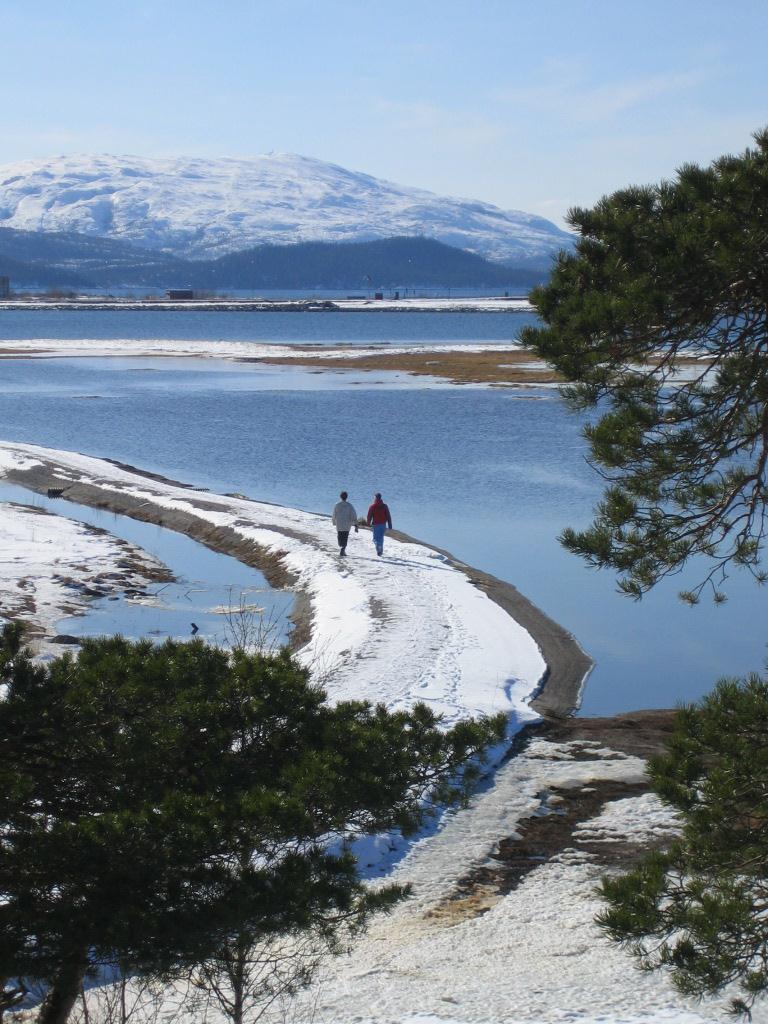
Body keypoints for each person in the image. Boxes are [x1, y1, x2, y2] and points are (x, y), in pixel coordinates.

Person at [332, 491, 358, 557]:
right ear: (347, 497)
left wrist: (334, 522)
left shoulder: (337, 505)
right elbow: (353, 515)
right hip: (347, 525)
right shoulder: (349, 505)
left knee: (340, 536)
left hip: (339, 524)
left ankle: (342, 548)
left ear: (340, 497)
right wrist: (355, 524)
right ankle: (343, 549)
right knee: (345, 537)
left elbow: (334, 514)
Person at [366, 492, 392, 557]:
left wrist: (368, 523)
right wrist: (390, 525)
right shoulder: (385, 506)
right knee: (381, 538)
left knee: (375, 539)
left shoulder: (372, 506)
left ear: (375, 498)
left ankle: (378, 549)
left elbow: (369, 516)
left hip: (376, 525)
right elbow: (388, 516)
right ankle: (380, 551)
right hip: (383, 525)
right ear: (380, 498)